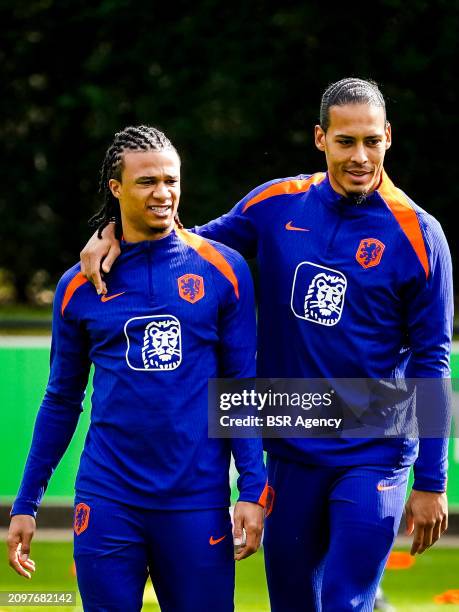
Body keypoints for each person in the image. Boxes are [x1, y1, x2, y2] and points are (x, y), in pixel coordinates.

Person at [80, 80, 453, 611]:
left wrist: (432, 479)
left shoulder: (421, 235)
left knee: (345, 601)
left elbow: (432, 358)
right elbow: (182, 247)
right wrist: (110, 232)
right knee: (294, 601)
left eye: (372, 141)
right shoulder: (274, 204)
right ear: (320, 139)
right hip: (290, 436)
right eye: (345, 141)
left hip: (376, 445)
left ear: (389, 137)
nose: (360, 156)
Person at [7, 126, 268, 612]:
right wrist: (26, 502)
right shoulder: (78, 287)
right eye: (147, 181)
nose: (163, 193)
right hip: (108, 499)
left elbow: (240, 389)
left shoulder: (225, 271)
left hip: (197, 501)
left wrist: (253, 488)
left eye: (171, 180)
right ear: (116, 187)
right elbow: (61, 400)